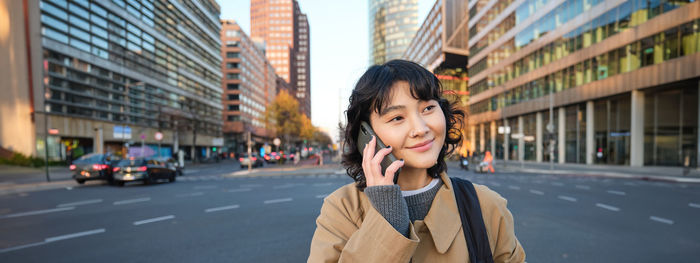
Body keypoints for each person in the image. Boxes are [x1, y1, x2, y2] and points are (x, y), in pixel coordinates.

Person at [308, 60, 525, 262]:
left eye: (428, 108)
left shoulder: (485, 205)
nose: (421, 129)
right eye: (397, 118)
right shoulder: (343, 209)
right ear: (366, 135)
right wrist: (387, 217)